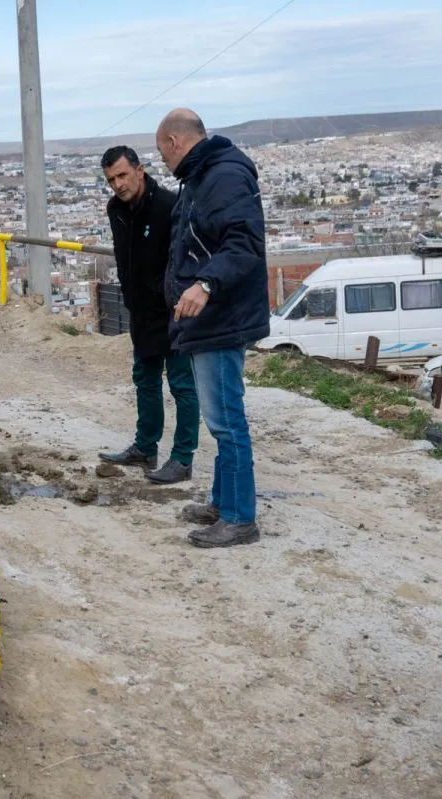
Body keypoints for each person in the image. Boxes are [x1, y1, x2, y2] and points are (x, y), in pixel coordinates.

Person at [156, 109, 270, 548]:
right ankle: (224, 504)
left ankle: (240, 519)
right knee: (220, 417)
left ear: (174, 142)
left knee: (226, 421)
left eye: (162, 153)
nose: (165, 162)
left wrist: (205, 285)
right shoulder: (205, 175)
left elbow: (243, 242)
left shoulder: (222, 176)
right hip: (213, 317)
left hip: (221, 317)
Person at [97, 146, 199, 484]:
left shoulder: (169, 205)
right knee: (145, 379)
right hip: (140, 310)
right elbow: (123, 256)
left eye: (123, 175)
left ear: (140, 170)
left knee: (182, 385)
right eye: (111, 179)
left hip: (174, 311)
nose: (118, 184)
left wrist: (173, 297)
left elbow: (186, 258)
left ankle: (182, 459)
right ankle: (145, 448)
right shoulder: (115, 209)